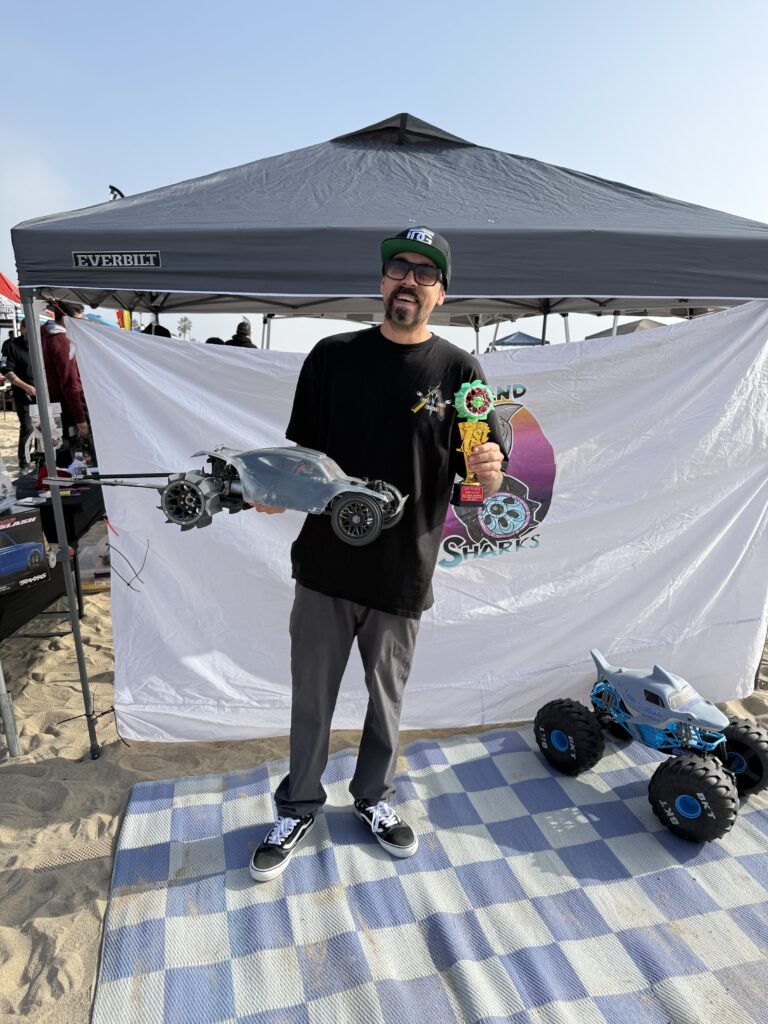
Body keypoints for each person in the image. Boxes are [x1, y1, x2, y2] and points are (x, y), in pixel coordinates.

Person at [249, 227, 507, 882]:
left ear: (441, 293)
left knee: (385, 699)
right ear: (383, 281)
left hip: (403, 569)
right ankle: (298, 805)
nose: (409, 280)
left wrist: (489, 469)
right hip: (325, 567)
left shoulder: (461, 373)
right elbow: (303, 459)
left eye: (426, 273)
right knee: (312, 698)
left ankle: (373, 797)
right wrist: (275, 491)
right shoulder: (331, 357)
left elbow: (480, 480)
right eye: (399, 268)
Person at [40, 301, 89, 440]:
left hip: (51, 402)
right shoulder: (61, 342)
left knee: (57, 445)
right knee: (73, 447)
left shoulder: (43, 334)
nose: (79, 324)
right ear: (66, 318)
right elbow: (70, 382)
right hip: (67, 407)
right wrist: (80, 417)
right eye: (77, 320)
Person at [2, 323, 35, 470]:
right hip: (23, 395)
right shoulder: (11, 346)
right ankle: (24, 462)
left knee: (45, 429)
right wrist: (26, 387)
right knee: (28, 427)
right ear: (22, 329)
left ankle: (42, 459)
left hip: (44, 395)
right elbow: (6, 370)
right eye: (27, 328)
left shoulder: (40, 345)